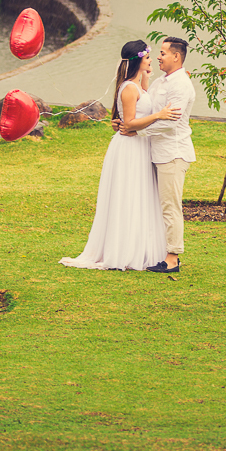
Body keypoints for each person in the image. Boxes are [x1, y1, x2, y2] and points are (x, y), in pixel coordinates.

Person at [59, 40, 179, 271]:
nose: (152, 60)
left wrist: (146, 77)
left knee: (140, 195)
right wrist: (159, 115)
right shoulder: (129, 88)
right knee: (128, 195)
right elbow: (131, 122)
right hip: (129, 148)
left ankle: (139, 247)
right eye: (148, 57)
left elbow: (139, 107)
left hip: (140, 145)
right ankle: (123, 250)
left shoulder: (137, 85)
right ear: (137, 60)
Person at [132, 36, 196, 274]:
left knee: (170, 206)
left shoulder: (181, 85)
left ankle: (172, 258)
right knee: (158, 206)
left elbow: (170, 122)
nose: (158, 57)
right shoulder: (162, 81)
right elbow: (148, 104)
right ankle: (157, 250)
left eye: (162, 53)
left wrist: (137, 131)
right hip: (157, 152)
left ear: (176, 56)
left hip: (173, 153)